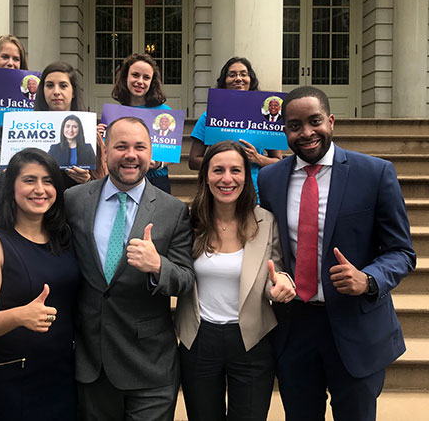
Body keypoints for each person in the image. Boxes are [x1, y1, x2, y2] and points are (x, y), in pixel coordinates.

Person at [257, 86, 416, 421]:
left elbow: (401, 251)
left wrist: (369, 279)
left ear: (331, 121)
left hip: (356, 326)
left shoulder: (374, 173)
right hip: (295, 327)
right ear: (284, 130)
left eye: (315, 121)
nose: (306, 132)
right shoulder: (270, 179)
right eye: (295, 125)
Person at [64, 116, 194, 421]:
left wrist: (158, 266)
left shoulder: (172, 210)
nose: (130, 155)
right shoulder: (74, 200)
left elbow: (185, 279)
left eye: (139, 147)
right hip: (92, 362)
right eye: (121, 146)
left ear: (151, 153)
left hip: (150, 364)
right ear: (106, 151)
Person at [175, 140, 295, 421]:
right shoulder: (188, 220)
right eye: (218, 170)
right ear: (205, 175)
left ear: (246, 174)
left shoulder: (266, 220)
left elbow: (273, 272)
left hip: (251, 339)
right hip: (199, 338)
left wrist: (281, 284)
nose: (226, 179)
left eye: (235, 170)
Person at [0, 148, 79, 421]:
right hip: (10, 378)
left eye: (48, 180)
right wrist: (21, 315)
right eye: (29, 180)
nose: (40, 189)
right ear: (12, 187)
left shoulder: (64, 237)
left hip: (61, 375)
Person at [188, 57, 282, 195]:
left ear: (251, 80)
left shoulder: (265, 118)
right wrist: (222, 163)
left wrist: (258, 159)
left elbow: (278, 162)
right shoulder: (209, 117)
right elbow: (193, 161)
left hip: (254, 194)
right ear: (224, 82)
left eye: (244, 74)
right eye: (232, 75)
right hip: (218, 193)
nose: (238, 78)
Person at [107, 53, 173, 193]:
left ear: (152, 82)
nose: (140, 81)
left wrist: (159, 164)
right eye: (135, 75)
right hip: (122, 180)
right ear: (126, 77)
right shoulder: (114, 113)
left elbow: (172, 152)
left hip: (156, 181)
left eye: (146, 77)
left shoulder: (165, 112)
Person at [34, 61, 106, 188]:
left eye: (63, 86)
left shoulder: (92, 138)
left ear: (73, 92)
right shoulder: (34, 131)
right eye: (50, 85)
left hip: (78, 204)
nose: (56, 91)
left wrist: (87, 181)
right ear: (42, 91)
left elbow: (104, 184)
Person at [0, 34, 29, 193]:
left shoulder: (31, 96)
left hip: (18, 180)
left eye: (16, 59)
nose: (10, 63)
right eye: (5, 56)